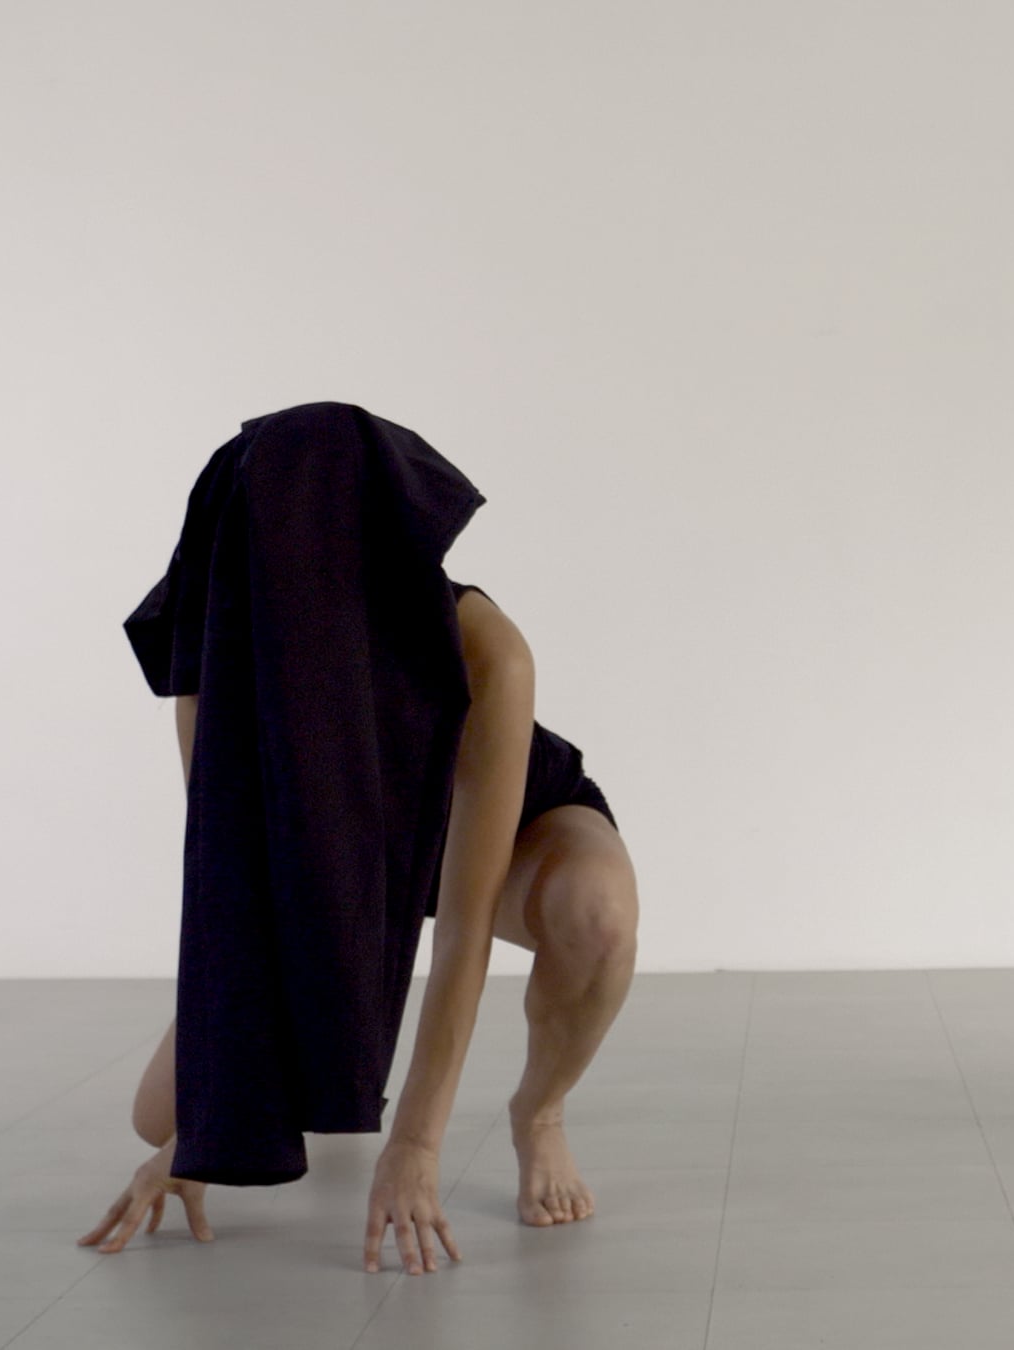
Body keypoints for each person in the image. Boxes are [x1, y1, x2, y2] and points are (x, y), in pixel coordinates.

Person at [74, 402, 639, 1272]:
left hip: (510, 832)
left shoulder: (488, 650)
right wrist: (201, 1136)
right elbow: (232, 885)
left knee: (595, 916)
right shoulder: (221, 661)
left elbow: (462, 926)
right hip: (342, 859)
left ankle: (542, 1112)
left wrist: (415, 1143)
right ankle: (284, 1076)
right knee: (158, 1116)